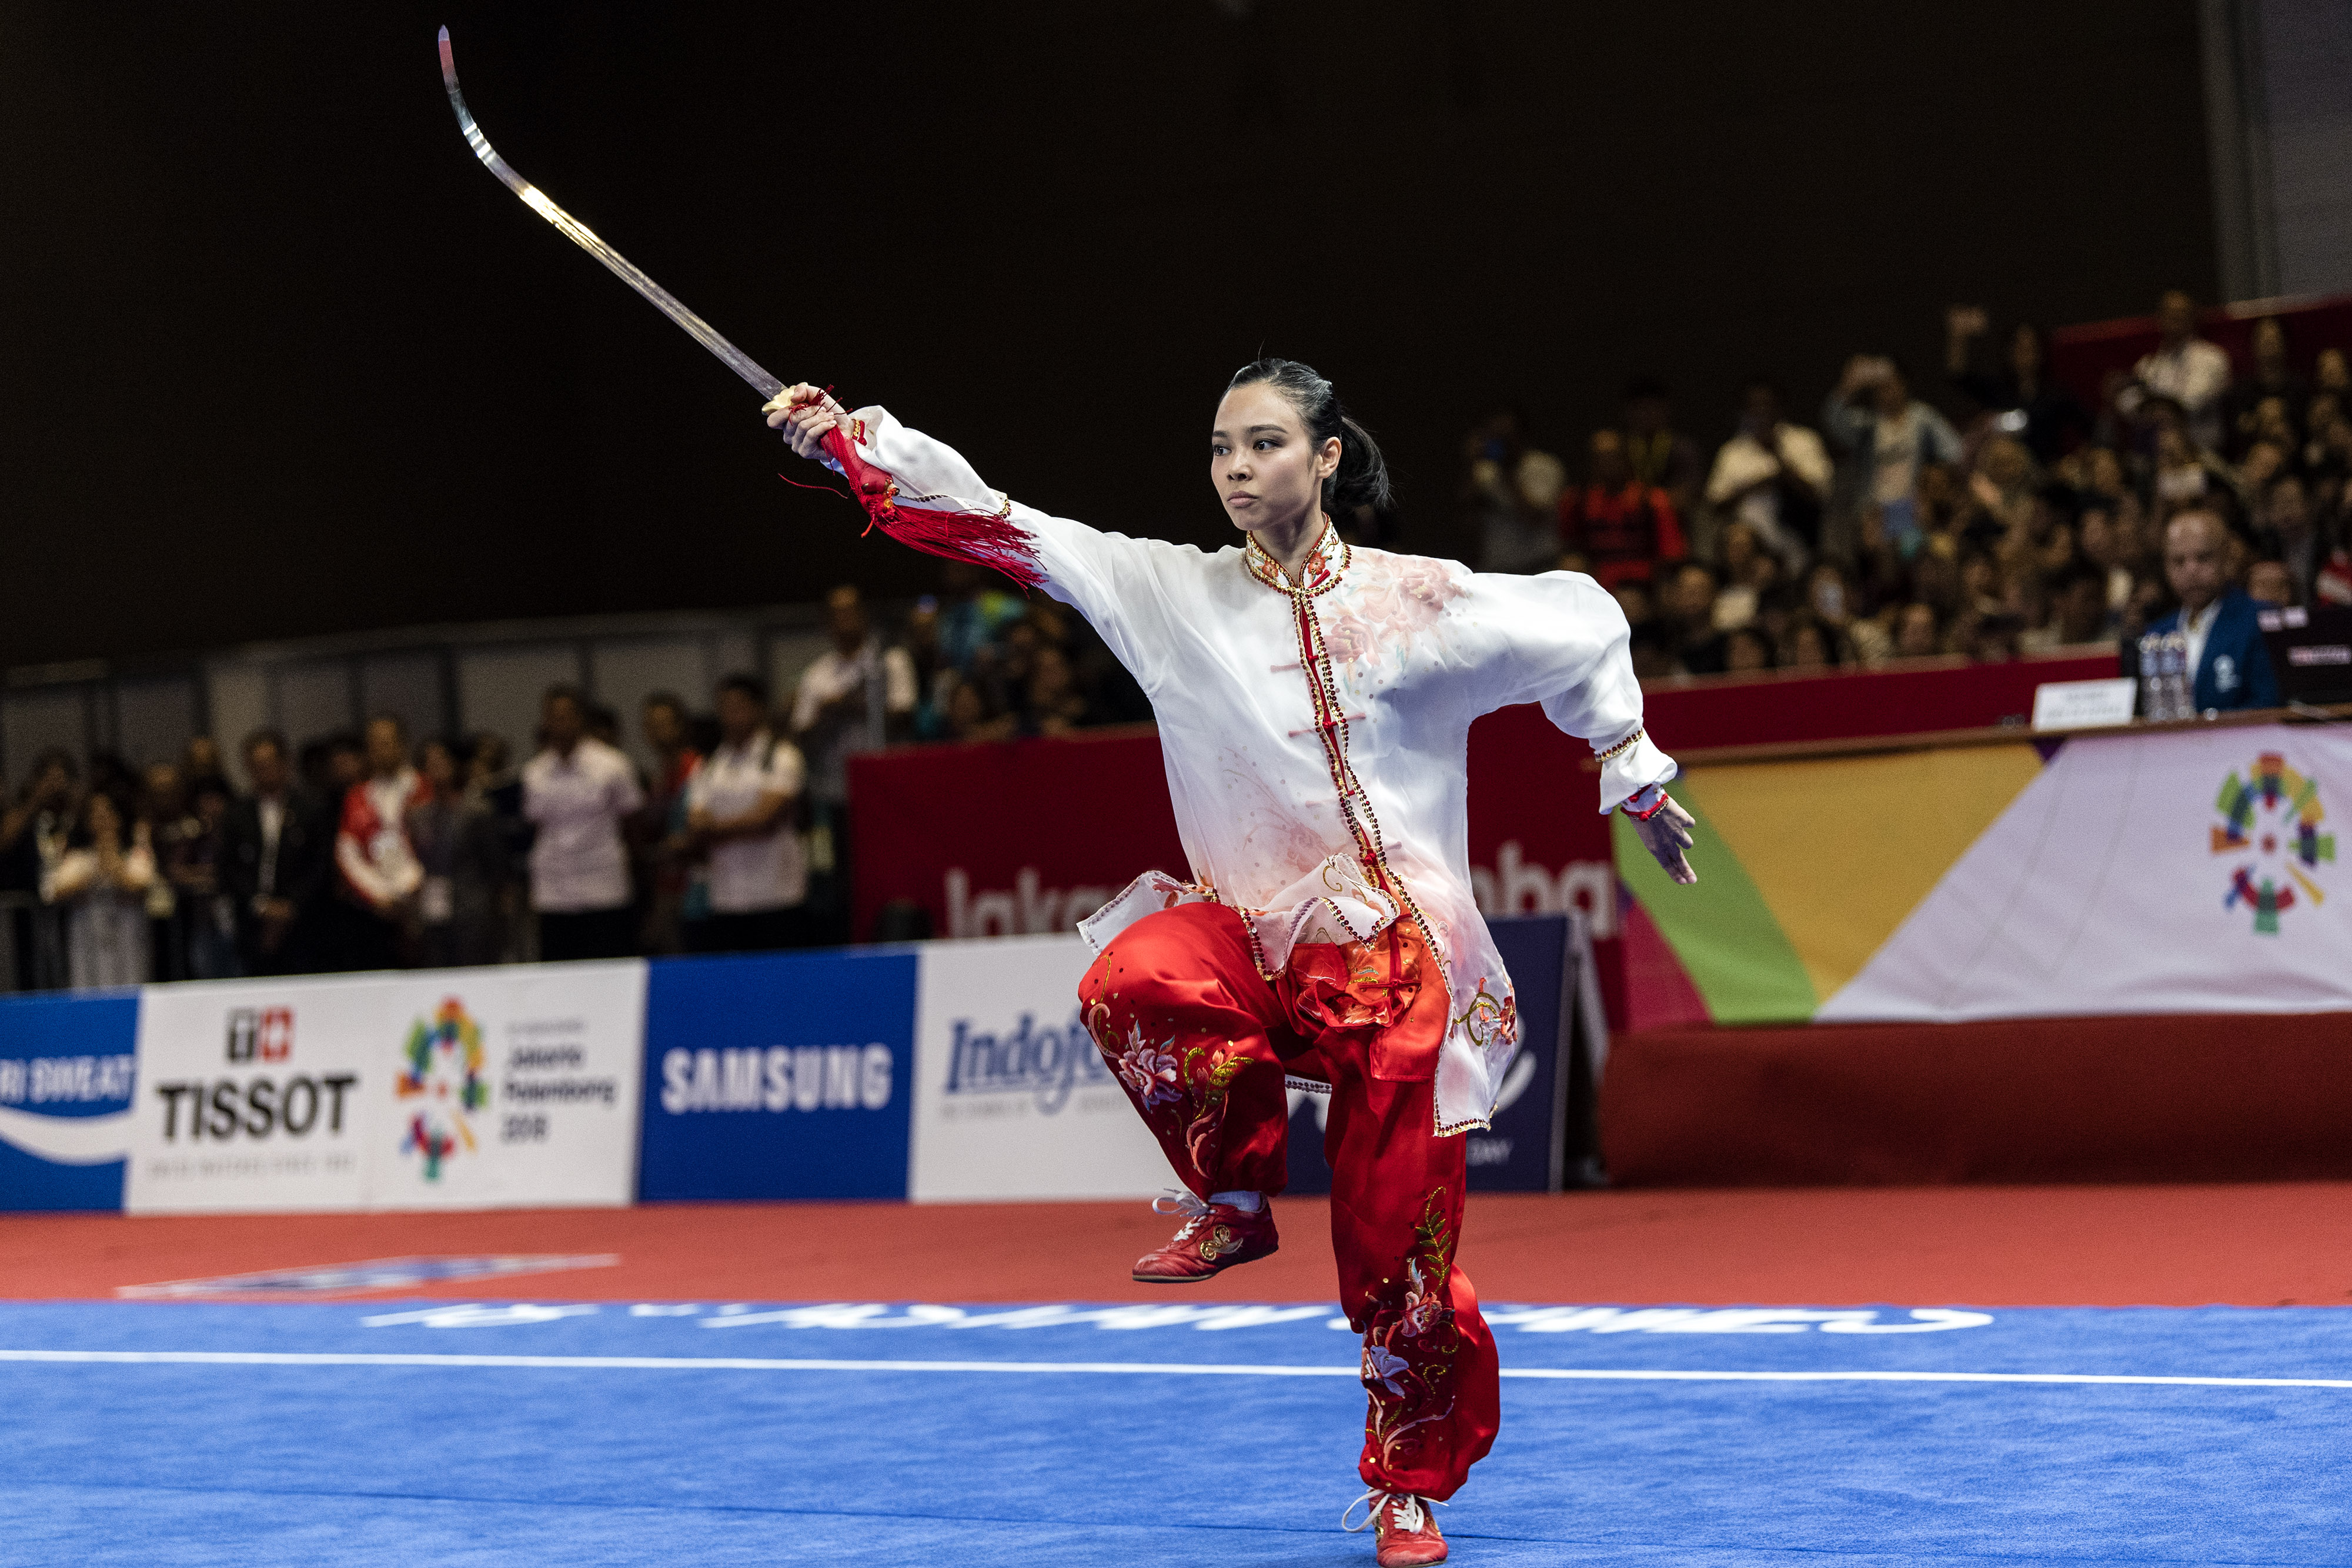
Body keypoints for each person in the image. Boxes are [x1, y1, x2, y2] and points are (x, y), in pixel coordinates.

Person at [767, 357, 1698, 1566]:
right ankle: (1236, 1191)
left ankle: (1405, 1486)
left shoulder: (1422, 600)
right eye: (1218, 448)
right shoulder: (1170, 594)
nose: (1235, 468)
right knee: (1130, 976)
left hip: (1395, 975)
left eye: (1262, 444)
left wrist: (1629, 768)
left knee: (1398, 1256)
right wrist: (852, 442)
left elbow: (1581, 621)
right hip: (1249, 954)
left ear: (1323, 458)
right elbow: (1000, 521)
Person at [790, 584, 916, 941]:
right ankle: (853, 939)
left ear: (865, 616)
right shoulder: (818, 675)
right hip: (837, 794)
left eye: (852, 611)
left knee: (891, 871)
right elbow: (801, 737)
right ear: (827, 623)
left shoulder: (890, 662)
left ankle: (895, 932)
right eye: (837, 613)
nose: (845, 620)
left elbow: (905, 717)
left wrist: (854, 705)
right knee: (843, 877)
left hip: (887, 789)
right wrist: (827, 714)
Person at [685, 673, 808, 954]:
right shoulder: (708, 766)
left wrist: (716, 829)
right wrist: (746, 824)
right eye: (726, 708)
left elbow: (766, 819)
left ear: (758, 709)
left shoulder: (781, 756)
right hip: (727, 898)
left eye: (740, 707)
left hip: (778, 895)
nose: (733, 715)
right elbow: (695, 828)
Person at [522, 685, 643, 962]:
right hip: (554, 889)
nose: (560, 724)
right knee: (560, 970)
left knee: (608, 967)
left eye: (567, 716)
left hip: (604, 885)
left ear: (581, 719)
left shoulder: (613, 765)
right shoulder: (534, 773)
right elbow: (536, 827)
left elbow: (633, 821)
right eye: (553, 717)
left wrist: (633, 866)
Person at [1822, 356, 1963, 564]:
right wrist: (1850, 385)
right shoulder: (1869, 424)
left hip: (1912, 509)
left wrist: (1933, 488)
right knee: (1880, 554)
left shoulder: (1922, 418)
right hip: (1875, 512)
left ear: (1904, 385)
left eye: (1891, 386)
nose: (1886, 393)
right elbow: (1834, 421)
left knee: (1911, 552)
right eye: (1880, 388)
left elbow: (1955, 452)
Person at [2144, 507, 2279, 712]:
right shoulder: (2156, 635)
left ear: (2226, 558)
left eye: (2203, 558)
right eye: (2178, 561)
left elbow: (2269, 704)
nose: (2191, 571)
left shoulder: (2262, 620)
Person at [1703, 379, 1831, 572]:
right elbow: (1715, 504)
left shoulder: (1804, 441)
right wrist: (1753, 486)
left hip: (1799, 546)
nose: (1761, 412)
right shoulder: (1732, 451)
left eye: (1766, 405)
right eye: (1754, 406)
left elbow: (1819, 494)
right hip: (1749, 555)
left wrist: (1779, 459)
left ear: (1780, 407)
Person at [334, 714, 428, 971]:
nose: (381, 750)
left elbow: (435, 847)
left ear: (403, 745)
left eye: (388, 743)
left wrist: (409, 885)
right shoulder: (357, 797)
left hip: (422, 904)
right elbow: (348, 854)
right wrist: (380, 895)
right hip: (374, 909)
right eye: (374, 744)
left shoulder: (424, 789)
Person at [406, 737, 510, 968]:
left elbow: (495, 865)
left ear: (455, 764)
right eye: (429, 763)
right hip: (433, 908)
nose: (436, 768)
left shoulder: (477, 811)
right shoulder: (419, 815)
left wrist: (498, 909)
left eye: (441, 761)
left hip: (472, 908)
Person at [1943, 308, 2089, 463]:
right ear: (2009, 353)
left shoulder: (2056, 395)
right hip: (2005, 475)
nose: (2025, 354)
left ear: (2041, 353)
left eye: (2030, 348)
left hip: (2047, 475)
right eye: (2019, 348)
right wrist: (1958, 335)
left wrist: (2073, 462)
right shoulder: (1998, 390)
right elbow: (1958, 376)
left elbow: (2089, 428)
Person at [43, 789, 155, 989]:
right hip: (87, 946)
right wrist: (93, 872)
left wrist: (113, 862)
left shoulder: (135, 855)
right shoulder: (77, 858)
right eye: (96, 815)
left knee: (130, 993)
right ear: (88, 822)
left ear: (118, 818)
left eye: (108, 814)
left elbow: (142, 886)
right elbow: (54, 892)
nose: (103, 820)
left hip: (128, 945)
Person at [1555, 429, 1688, 591]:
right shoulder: (1578, 500)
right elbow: (1569, 545)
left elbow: (1672, 552)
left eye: (1612, 456)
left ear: (1626, 458)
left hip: (1644, 584)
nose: (1607, 463)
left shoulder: (1651, 499)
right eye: (1600, 458)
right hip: (1595, 582)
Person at [630, 692, 702, 954]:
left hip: (693, 884)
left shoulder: (697, 769)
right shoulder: (660, 776)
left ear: (681, 726)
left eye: (664, 724)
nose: (657, 732)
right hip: (664, 881)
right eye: (650, 725)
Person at [2126, 290, 2233, 453]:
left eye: (2181, 313)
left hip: (2202, 454)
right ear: (2159, 318)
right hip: (2158, 456)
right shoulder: (2148, 365)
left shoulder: (2213, 358)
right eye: (2170, 313)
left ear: (2192, 318)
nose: (2175, 319)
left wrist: (2152, 407)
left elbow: (2192, 402)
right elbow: (2128, 404)